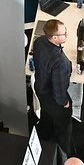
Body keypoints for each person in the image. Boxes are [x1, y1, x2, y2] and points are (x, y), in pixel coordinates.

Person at [32, 19, 72, 156]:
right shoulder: (59, 62)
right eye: (64, 33)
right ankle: (63, 154)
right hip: (53, 98)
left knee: (46, 116)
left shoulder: (39, 42)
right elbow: (58, 90)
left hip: (40, 89)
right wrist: (65, 103)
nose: (67, 34)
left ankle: (43, 138)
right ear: (54, 37)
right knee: (64, 127)